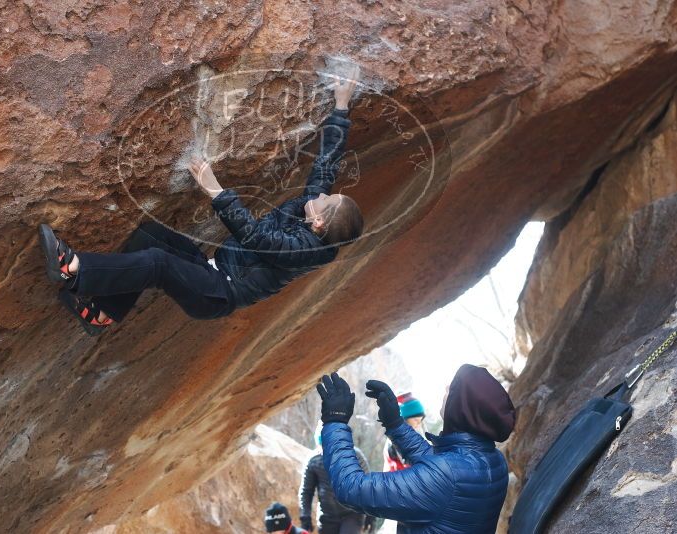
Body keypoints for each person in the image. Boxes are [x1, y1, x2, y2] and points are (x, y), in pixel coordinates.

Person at [37, 66, 363, 335]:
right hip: (212, 269)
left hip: (219, 292)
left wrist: (215, 189)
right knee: (151, 236)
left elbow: (256, 237)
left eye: (327, 201)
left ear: (319, 222)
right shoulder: (314, 216)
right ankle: (102, 315)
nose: (322, 194)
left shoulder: (305, 252)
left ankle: (73, 268)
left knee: (158, 264)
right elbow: (326, 164)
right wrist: (341, 106)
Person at [315, 366, 516, 534]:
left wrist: (335, 421)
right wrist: (395, 424)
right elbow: (435, 464)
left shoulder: (446, 475)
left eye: (452, 389)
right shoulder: (492, 459)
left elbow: (351, 487)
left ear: (463, 407)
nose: (446, 390)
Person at [299, 422, 375, 533]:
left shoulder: (355, 456)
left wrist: (371, 515)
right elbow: (306, 492)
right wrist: (305, 517)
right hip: (327, 515)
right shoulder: (313, 461)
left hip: (352, 513)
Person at [383, 392, 425, 472]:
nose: (418, 423)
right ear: (405, 419)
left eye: (421, 420)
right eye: (415, 420)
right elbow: (409, 460)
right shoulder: (398, 437)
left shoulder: (408, 435)